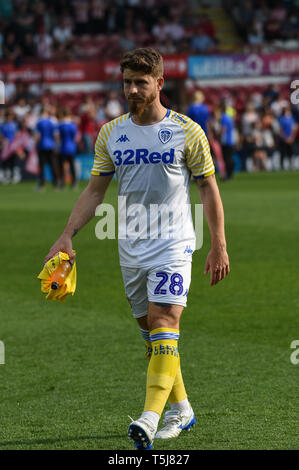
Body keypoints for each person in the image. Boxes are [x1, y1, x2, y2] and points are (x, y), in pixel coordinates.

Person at [44, 48, 229, 450]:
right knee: (153, 337)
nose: (131, 89)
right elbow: (95, 190)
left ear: (159, 83)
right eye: (127, 81)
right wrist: (67, 235)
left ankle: (148, 418)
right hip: (130, 246)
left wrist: (219, 245)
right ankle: (183, 409)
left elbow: (208, 188)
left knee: (165, 322)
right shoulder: (111, 133)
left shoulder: (187, 131)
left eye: (140, 82)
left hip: (174, 243)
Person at [35, 106, 58, 190]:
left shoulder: (39, 122)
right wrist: (55, 144)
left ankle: (41, 185)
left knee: (42, 166)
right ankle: (56, 183)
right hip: (51, 145)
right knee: (53, 165)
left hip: (42, 145)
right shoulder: (51, 122)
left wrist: (35, 144)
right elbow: (56, 135)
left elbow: (37, 135)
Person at [58, 108, 78, 189]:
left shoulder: (61, 125)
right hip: (71, 147)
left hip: (63, 147)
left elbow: (59, 136)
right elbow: (75, 137)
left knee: (62, 166)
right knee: (72, 166)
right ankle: (74, 183)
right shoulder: (73, 125)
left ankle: (62, 183)